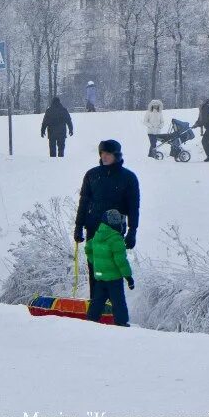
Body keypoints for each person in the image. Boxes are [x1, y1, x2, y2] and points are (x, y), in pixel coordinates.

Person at [73, 140, 140, 298]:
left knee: (112, 268)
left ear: (116, 155)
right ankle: (95, 305)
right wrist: (78, 226)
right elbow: (84, 202)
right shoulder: (92, 174)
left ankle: (113, 306)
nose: (104, 157)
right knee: (95, 267)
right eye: (102, 153)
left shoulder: (128, 177)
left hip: (114, 231)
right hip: (93, 228)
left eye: (108, 154)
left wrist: (132, 231)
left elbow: (133, 207)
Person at [84, 209, 133, 327]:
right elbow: (121, 261)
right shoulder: (116, 239)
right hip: (114, 278)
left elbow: (88, 248)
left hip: (100, 276)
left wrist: (94, 262)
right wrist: (128, 277)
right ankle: (121, 322)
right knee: (118, 301)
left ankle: (91, 320)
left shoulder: (97, 235)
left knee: (97, 301)